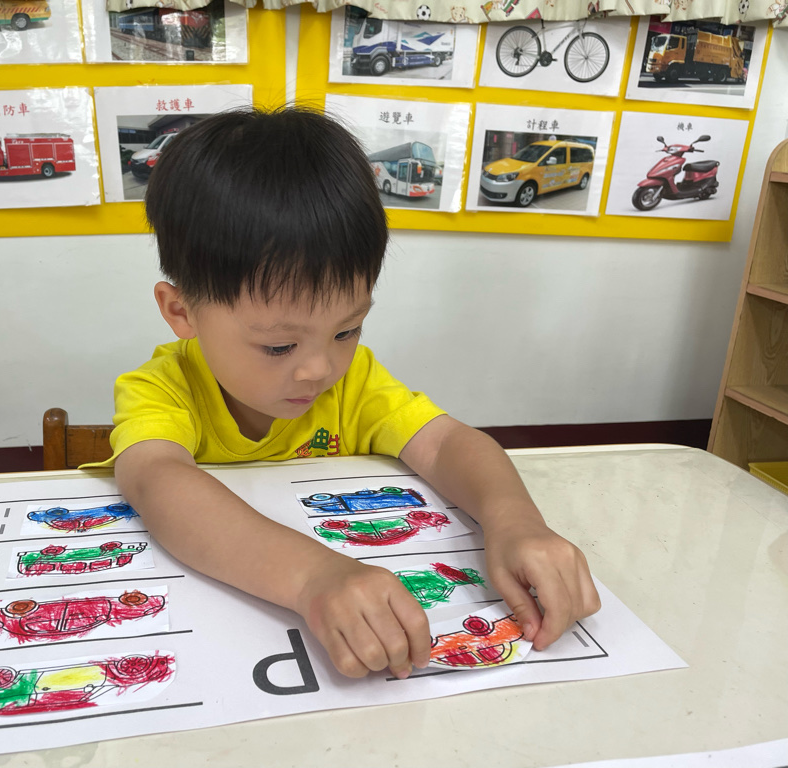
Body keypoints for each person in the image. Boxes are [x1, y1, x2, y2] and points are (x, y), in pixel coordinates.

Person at [87, 106, 601, 680]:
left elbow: (445, 443)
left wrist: (515, 521)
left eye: (347, 330)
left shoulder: (355, 382)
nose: (319, 369)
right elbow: (160, 483)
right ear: (181, 311)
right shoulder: (162, 389)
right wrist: (311, 576)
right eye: (280, 346)